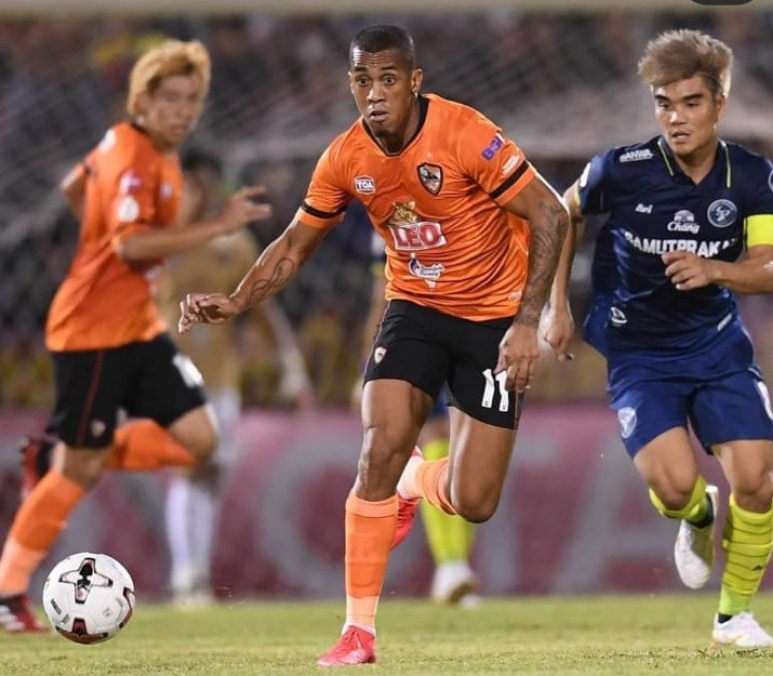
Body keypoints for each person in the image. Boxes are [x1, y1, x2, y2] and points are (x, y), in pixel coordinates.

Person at [179, 25, 569, 666]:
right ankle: (358, 633)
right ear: (351, 85)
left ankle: (416, 481)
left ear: (415, 82)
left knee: (474, 501)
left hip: (493, 318)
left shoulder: (466, 133)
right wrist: (238, 301)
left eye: (389, 79)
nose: (376, 93)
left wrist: (529, 322)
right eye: (364, 80)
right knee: (378, 446)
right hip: (413, 309)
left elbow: (550, 213)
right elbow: (293, 245)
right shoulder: (344, 158)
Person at [0, 39, 271, 633]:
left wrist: (96, 229)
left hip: (137, 329)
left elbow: (76, 188)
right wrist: (213, 227)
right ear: (141, 100)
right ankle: (7, 592)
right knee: (79, 473)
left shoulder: (148, 154)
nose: (182, 110)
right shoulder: (134, 154)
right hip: (91, 333)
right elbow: (127, 246)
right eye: (169, 98)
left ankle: (59, 452)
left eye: (191, 99)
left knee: (201, 439)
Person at [552, 29, 773, 649]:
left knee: (758, 481)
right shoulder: (621, 169)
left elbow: (769, 266)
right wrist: (552, 307)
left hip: (715, 347)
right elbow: (560, 215)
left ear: (719, 105)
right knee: (677, 487)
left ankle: (734, 618)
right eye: (664, 104)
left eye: (690, 103)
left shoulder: (751, 178)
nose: (675, 118)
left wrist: (715, 269)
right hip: (638, 354)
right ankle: (697, 516)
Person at [158, 148, 313, 605]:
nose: (201, 192)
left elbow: (261, 311)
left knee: (211, 474)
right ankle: (186, 575)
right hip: (169, 372)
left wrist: (290, 365)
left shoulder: (237, 244)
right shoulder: (158, 241)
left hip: (223, 377)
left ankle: (194, 575)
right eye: (191, 183)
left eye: (206, 182)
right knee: (191, 469)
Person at [354, 233, 480, 607]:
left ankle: (454, 565)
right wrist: (368, 366)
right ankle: (452, 565)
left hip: (477, 327)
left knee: (472, 452)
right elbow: (384, 292)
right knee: (441, 434)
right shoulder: (394, 214)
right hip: (420, 332)